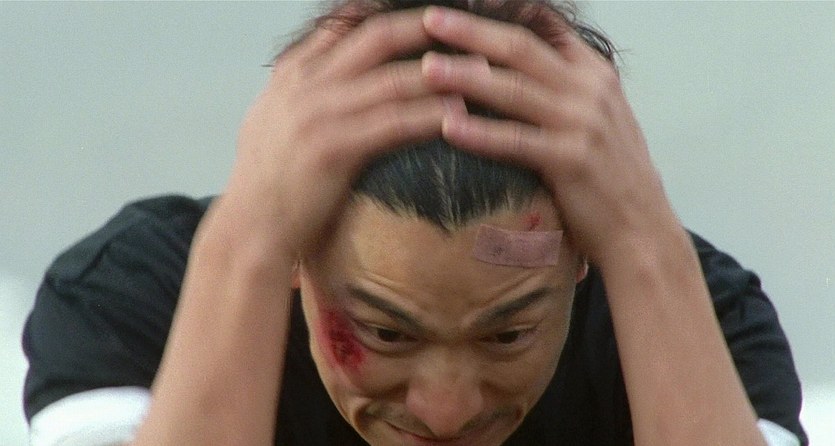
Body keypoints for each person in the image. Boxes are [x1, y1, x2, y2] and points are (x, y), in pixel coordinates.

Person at [22, 0, 807, 445]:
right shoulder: (137, 302)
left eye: (507, 335)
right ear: (296, 251)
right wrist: (249, 238)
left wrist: (641, 239)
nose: (446, 410)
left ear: (581, 258)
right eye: (387, 333)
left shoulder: (685, 313)